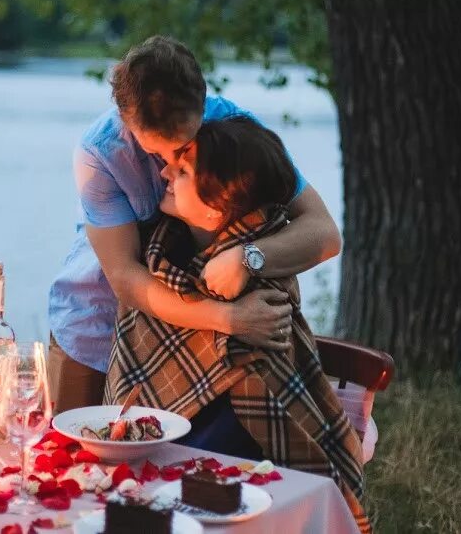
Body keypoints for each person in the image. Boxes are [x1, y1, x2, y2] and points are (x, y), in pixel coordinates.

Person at [46, 35, 341, 412]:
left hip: (185, 343)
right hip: (93, 327)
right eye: (155, 150)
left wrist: (249, 257)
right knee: (76, 460)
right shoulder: (98, 154)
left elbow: (325, 233)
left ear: (203, 105)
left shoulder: (236, 132)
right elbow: (124, 277)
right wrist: (228, 318)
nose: (168, 164)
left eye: (185, 147)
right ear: (125, 119)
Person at [103, 116, 369, 531]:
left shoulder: (262, 293)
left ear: (216, 207)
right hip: (155, 444)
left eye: (184, 170)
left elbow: (255, 410)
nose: (164, 171)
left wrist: (245, 260)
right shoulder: (161, 254)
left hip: (238, 452)